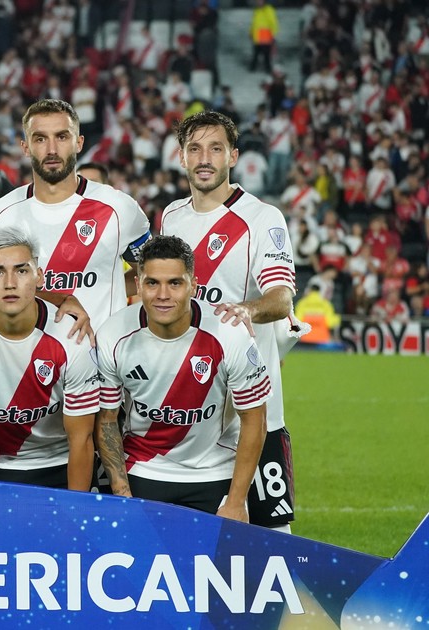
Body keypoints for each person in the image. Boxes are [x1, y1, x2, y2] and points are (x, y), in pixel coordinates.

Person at [159, 110, 301, 532]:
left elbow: (281, 297)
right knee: (194, 533)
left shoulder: (262, 218)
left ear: (233, 156)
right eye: (195, 149)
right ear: (181, 157)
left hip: (253, 409)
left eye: (215, 148)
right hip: (191, 408)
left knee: (272, 535)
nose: (204, 158)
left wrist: (246, 310)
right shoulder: (171, 216)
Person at [94, 236, 269, 522]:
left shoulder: (229, 334)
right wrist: (122, 493)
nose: (163, 294)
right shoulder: (113, 335)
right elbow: (107, 420)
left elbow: (255, 420)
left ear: (194, 286)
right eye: (152, 283)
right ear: (138, 284)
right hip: (144, 469)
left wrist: (236, 502)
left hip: (214, 472)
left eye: (175, 283)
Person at [0, 227, 99, 489]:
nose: (10, 283)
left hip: (58, 463)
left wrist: (76, 507)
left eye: (21, 271)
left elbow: (82, 439)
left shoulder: (73, 340)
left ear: (39, 276)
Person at [0, 99, 151, 331]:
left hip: (102, 352)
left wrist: (112, 289)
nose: (52, 149)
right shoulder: (1, 214)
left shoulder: (119, 207)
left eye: (62, 137)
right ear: (25, 147)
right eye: (40, 139)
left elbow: (151, 273)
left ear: (79, 143)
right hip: (29, 352)